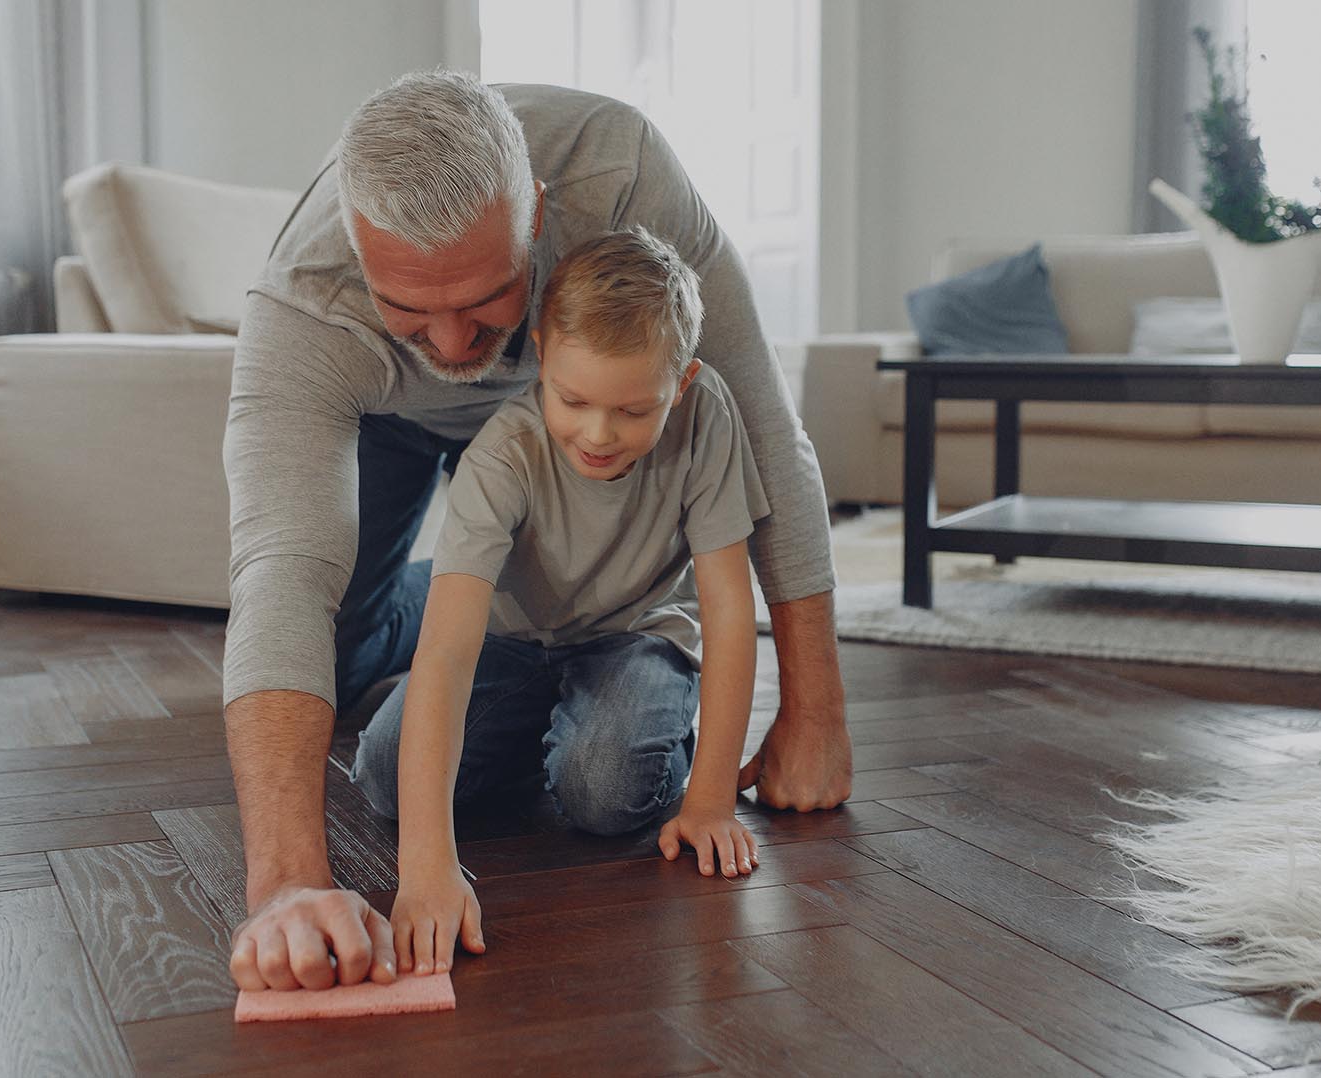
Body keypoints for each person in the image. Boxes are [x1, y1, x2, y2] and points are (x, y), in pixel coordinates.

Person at [223, 71, 851, 996]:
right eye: (408, 304)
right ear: (358, 255)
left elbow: (764, 429)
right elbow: (280, 566)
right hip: (393, 417)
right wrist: (286, 886)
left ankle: (513, 595)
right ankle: (442, 588)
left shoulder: (623, 177)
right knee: (336, 647)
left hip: (565, 402)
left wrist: (817, 712)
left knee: (601, 767)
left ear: (540, 219)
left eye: (482, 295)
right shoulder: (304, 305)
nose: (449, 339)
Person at [351, 228, 765, 977]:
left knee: (604, 794)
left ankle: (634, 736)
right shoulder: (503, 455)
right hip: (511, 643)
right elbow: (445, 652)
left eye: (635, 412)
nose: (599, 434)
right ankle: (543, 733)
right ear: (541, 354)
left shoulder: (707, 415)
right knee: (383, 774)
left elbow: (731, 609)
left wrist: (709, 800)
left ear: (682, 382)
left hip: (634, 637)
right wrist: (427, 867)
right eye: (573, 400)